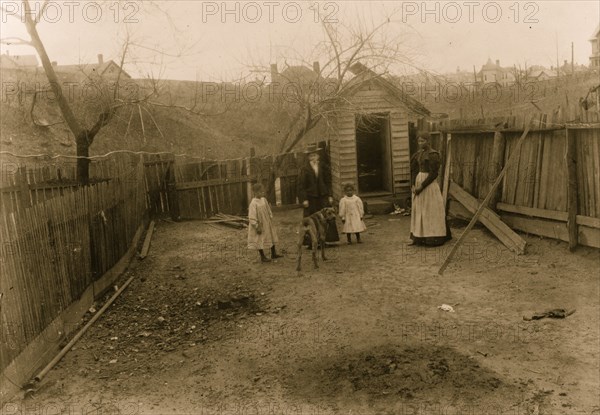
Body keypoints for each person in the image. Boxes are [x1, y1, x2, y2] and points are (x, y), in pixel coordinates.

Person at [408, 132, 452, 246]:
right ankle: (418, 237)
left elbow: (433, 174)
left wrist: (421, 186)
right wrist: (413, 185)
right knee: (419, 210)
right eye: (419, 141)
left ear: (428, 141)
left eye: (423, 141)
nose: (420, 143)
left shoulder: (433, 155)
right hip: (418, 182)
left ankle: (432, 238)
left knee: (430, 210)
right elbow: (414, 170)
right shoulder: (417, 154)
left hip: (429, 185)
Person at [298, 143, 339, 244]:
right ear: (308, 157)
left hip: (323, 195)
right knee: (311, 218)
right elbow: (301, 185)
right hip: (311, 197)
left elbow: (328, 182)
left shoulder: (323, 166)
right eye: (311, 156)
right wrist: (304, 199)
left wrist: (329, 195)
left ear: (318, 156)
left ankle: (327, 239)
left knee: (326, 216)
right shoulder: (304, 168)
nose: (313, 157)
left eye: (315, 155)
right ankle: (311, 241)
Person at [247, 183, 283, 262]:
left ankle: (273, 253)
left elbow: (268, 209)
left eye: (262, 192)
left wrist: (270, 217)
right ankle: (262, 256)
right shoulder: (253, 203)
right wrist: (256, 226)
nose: (261, 193)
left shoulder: (264, 200)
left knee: (271, 235)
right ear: (255, 193)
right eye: (259, 192)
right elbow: (251, 217)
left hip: (267, 222)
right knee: (260, 239)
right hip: (260, 224)